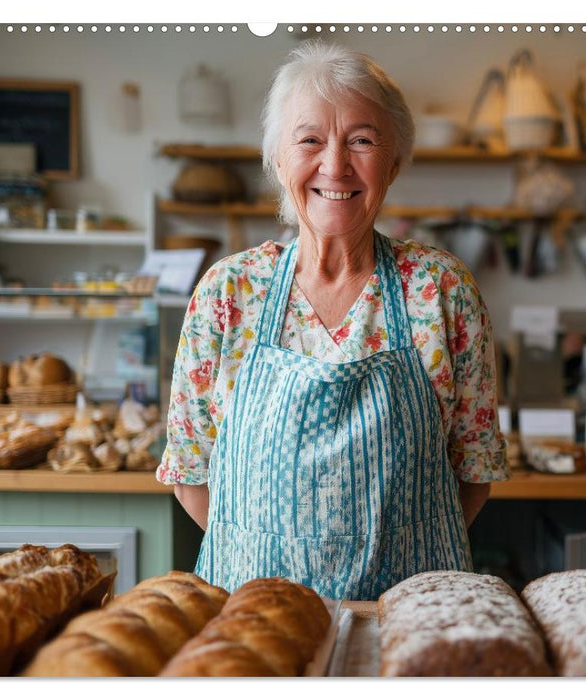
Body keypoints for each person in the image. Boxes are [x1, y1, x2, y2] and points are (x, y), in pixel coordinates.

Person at [156, 41, 509, 600]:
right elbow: (190, 474)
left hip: (408, 616)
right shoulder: (227, 294)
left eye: (362, 141)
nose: (335, 165)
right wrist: (273, 563)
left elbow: (475, 469)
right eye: (310, 140)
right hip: (258, 618)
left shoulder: (441, 289)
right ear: (277, 160)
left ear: (393, 163)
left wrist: (395, 559)